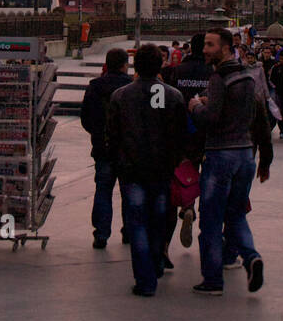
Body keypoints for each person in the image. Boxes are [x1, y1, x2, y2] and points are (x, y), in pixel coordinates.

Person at [187, 27, 272, 295]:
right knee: (236, 215)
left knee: (211, 221)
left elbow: (211, 119)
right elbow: (258, 117)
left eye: (210, 45)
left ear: (224, 48)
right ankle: (251, 256)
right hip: (245, 153)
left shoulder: (218, 77)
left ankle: (212, 281)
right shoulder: (246, 77)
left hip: (220, 154)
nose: (204, 50)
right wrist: (265, 159)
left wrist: (196, 107)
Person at [105, 45, 187, 296]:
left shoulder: (121, 96)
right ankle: (157, 260)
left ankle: (145, 279)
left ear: (135, 66)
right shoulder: (173, 96)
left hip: (132, 170)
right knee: (158, 219)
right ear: (160, 65)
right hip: (161, 169)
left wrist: (118, 161)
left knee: (137, 222)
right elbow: (180, 135)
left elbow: (112, 135)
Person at [80, 48, 131, 249]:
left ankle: (101, 233)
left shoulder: (95, 86)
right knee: (128, 191)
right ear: (124, 65)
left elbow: (85, 117)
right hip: (126, 150)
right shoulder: (130, 87)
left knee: (103, 190)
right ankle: (128, 231)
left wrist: (97, 134)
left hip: (103, 147)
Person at [164, 33, 210, 251]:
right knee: (206, 175)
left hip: (180, 131)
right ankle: (197, 212)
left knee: (182, 175)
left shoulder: (178, 71)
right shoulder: (213, 72)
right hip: (206, 132)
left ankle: (187, 205)